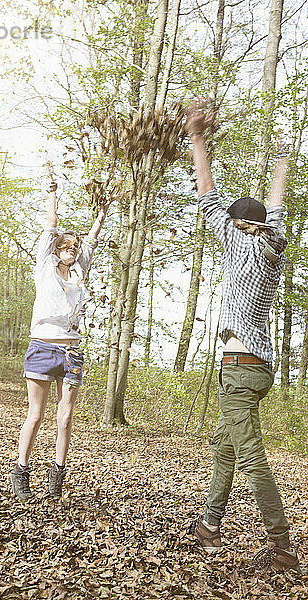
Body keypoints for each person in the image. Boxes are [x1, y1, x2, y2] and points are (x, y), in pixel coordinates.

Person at [185, 100, 300, 573]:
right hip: (252, 367)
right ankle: (209, 524)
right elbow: (274, 211)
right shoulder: (269, 246)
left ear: (237, 225)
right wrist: (282, 166)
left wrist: (197, 140)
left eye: (233, 222)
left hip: (241, 369)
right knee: (226, 449)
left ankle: (282, 546)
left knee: (251, 458)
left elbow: (208, 196)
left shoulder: (247, 244)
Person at [10, 173, 111, 501]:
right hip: (42, 346)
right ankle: (22, 471)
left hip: (71, 352)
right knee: (36, 415)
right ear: (56, 249)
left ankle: (57, 475)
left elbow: (93, 238)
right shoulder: (44, 265)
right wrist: (52, 192)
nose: (73, 250)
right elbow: (51, 223)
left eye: (75, 247)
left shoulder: (79, 271)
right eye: (67, 247)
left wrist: (102, 212)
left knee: (65, 416)